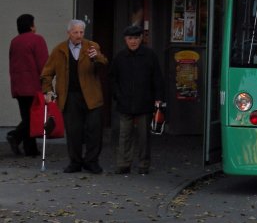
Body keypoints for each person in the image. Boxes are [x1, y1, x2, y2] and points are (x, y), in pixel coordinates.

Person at [40, 19, 108, 174]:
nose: (79, 35)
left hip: (91, 95)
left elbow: (103, 64)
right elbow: (46, 73)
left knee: (94, 130)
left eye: (81, 32)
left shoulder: (92, 46)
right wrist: (48, 91)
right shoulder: (59, 50)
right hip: (69, 96)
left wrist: (96, 56)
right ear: (69, 33)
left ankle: (92, 161)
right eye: (75, 32)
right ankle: (75, 162)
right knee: (73, 131)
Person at [109, 23, 164, 175]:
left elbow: (157, 78)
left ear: (141, 39)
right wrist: (118, 95)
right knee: (124, 135)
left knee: (144, 137)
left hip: (144, 102)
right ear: (125, 40)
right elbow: (113, 79)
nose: (133, 41)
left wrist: (158, 98)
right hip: (125, 102)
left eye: (135, 38)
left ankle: (143, 165)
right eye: (129, 38)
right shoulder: (120, 57)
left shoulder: (150, 55)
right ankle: (123, 164)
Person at [7, 13, 49, 157]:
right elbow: (44, 64)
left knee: (26, 116)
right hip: (33, 85)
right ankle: (15, 136)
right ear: (31, 26)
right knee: (32, 118)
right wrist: (47, 84)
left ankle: (30, 149)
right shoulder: (37, 40)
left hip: (19, 85)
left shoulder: (15, 41)